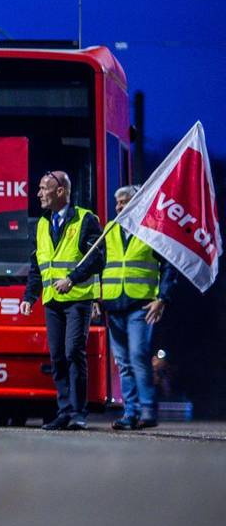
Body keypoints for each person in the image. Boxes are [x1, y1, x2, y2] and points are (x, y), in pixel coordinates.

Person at [20, 171, 104, 430]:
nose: (38, 194)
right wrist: (29, 296)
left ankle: (78, 412)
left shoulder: (85, 219)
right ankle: (64, 410)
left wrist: (72, 279)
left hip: (78, 298)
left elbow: (97, 258)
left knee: (73, 353)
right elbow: (38, 265)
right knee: (57, 356)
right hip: (52, 300)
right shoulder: (42, 224)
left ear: (60, 191)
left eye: (44, 188)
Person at [103, 184, 176, 430]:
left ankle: (147, 411)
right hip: (114, 304)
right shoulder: (110, 229)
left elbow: (168, 266)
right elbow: (99, 264)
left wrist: (162, 298)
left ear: (138, 203)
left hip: (141, 305)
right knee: (123, 362)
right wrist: (96, 297)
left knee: (138, 357)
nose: (119, 207)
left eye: (124, 201)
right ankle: (130, 413)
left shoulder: (152, 231)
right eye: (117, 202)